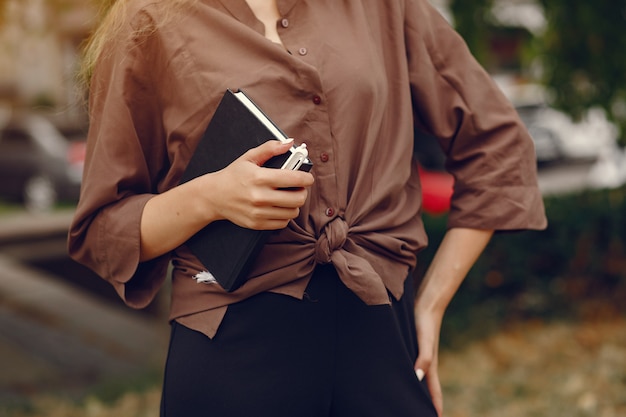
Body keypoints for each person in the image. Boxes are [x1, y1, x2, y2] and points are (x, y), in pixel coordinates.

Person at [68, 0, 547, 416]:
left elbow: (498, 143)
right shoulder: (147, 21)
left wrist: (432, 305)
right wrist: (208, 198)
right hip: (233, 347)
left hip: (381, 333)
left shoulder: (383, 7)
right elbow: (103, 229)